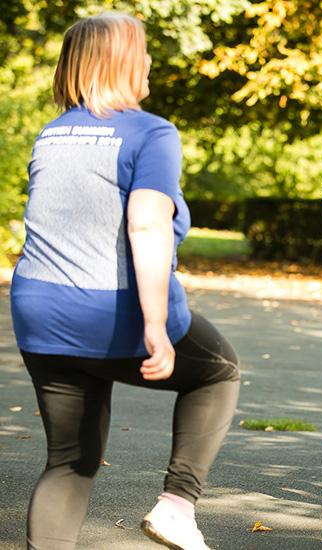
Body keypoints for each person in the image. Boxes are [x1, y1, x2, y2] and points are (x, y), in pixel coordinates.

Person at [10, 12, 240, 550]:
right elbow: (147, 222)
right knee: (219, 371)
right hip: (108, 309)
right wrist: (155, 324)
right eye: (141, 53)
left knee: (69, 461)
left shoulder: (53, 134)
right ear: (118, 63)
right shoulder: (150, 131)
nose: (149, 63)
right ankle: (177, 508)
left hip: (37, 310)